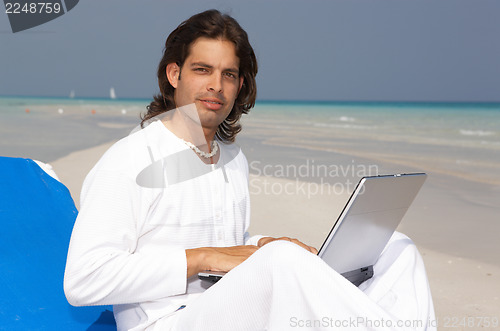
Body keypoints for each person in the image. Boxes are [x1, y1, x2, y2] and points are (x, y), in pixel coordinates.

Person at [64, 9, 436, 331]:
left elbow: (227, 238)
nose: (216, 85)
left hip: (229, 303)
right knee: (284, 264)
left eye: (228, 74)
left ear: (240, 83)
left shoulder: (230, 157)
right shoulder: (131, 158)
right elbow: (83, 281)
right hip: (169, 319)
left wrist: (261, 244)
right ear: (174, 74)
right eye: (202, 70)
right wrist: (205, 257)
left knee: (396, 248)